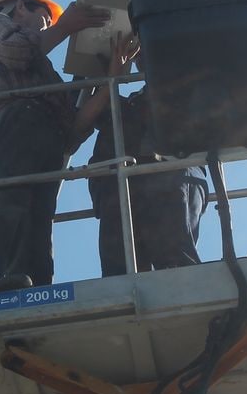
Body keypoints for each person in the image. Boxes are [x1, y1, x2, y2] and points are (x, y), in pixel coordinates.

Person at [0, 0, 112, 296]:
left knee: (37, 214)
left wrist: (107, 78)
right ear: (21, 8)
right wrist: (66, 27)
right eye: (47, 19)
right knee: (4, 196)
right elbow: (16, 51)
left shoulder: (43, 70)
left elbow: (73, 130)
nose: (50, 25)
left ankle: (34, 286)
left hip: (46, 137)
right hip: (19, 120)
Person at [87, 45, 209, 277]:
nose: (141, 57)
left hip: (173, 177)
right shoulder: (124, 105)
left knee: (176, 266)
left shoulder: (190, 91)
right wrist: (105, 73)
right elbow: (85, 115)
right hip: (118, 183)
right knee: (120, 274)